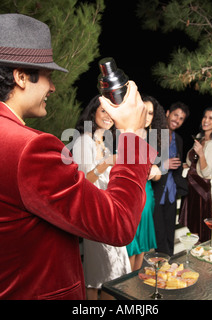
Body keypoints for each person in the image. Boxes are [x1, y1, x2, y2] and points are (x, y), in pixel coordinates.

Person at [0, 14, 156, 300]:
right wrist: (133, 134)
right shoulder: (29, 150)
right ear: (20, 76)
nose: (52, 87)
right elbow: (118, 224)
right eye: (47, 75)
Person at [72, 95, 131, 300]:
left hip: (109, 211)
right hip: (94, 214)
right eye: (103, 110)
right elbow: (83, 183)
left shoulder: (103, 142)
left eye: (111, 113)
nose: (108, 116)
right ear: (93, 112)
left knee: (115, 271)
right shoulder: (83, 141)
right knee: (101, 273)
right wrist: (107, 163)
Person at [126, 95, 168, 271]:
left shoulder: (155, 139)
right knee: (129, 245)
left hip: (146, 194)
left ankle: (133, 285)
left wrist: (156, 171)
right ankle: (124, 285)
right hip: (128, 194)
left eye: (151, 113)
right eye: (144, 110)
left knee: (141, 245)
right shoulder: (124, 133)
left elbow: (159, 175)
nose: (147, 115)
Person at [179, 106, 212, 242]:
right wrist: (188, 164)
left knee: (200, 228)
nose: (206, 120)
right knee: (192, 227)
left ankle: (203, 259)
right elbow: (189, 160)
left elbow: (206, 172)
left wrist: (201, 154)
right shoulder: (199, 137)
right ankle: (194, 255)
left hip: (200, 188)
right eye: (205, 116)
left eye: (211, 118)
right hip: (190, 185)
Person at [152, 101, 190, 257]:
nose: (177, 120)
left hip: (171, 194)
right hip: (156, 194)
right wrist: (164, 165)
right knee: (159, 236)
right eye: (176, 115)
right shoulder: (153, 135)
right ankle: (162, 269)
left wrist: (182, 166)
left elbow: (177, 166)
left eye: (181, 118)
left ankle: (169, 266)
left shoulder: (179, 139)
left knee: (169, 234)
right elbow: (145, 165)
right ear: (167, 113)